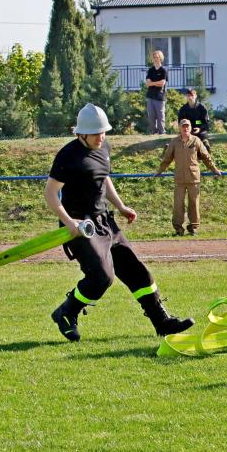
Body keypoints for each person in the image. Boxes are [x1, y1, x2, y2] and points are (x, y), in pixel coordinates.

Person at [47, 103, 195, 342]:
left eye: (103, 132)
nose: (101, 137)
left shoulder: (103, 147)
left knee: (137, 271)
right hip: (81, 226)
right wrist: (69, 222)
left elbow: (103, 178)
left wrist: (121, 206)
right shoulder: (68, 155)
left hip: (105, 221)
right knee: (101, 277)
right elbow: (50, 193)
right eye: (96, 133)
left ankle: (162, 322)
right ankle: (67, 311)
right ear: (81, 133)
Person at [155, 119, 224, 236]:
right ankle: (178, 229)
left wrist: (214, 169)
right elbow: (167, 158)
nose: (185, 128)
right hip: (179, 179)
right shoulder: (174, 142)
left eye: (187, 126)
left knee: (194, 204)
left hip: (193, 178)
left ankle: (193, 228)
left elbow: (206, 157)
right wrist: (159, 171)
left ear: (191, 128)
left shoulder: (196, 140)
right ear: (179, 128)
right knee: (178, 205)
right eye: (183, 126)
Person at [145, 50, 168, 134]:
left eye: (157, 57)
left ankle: (162, 132)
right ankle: (153, 131)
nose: (155, 59)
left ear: (160, 58)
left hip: (160, 96)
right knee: (151, 115)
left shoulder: (163, 70)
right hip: (150, 96)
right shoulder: (150, 70)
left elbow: (162, 83)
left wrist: (152, 83)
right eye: (154, 57)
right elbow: (148, 83)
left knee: (160, 116)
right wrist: (156, 83)